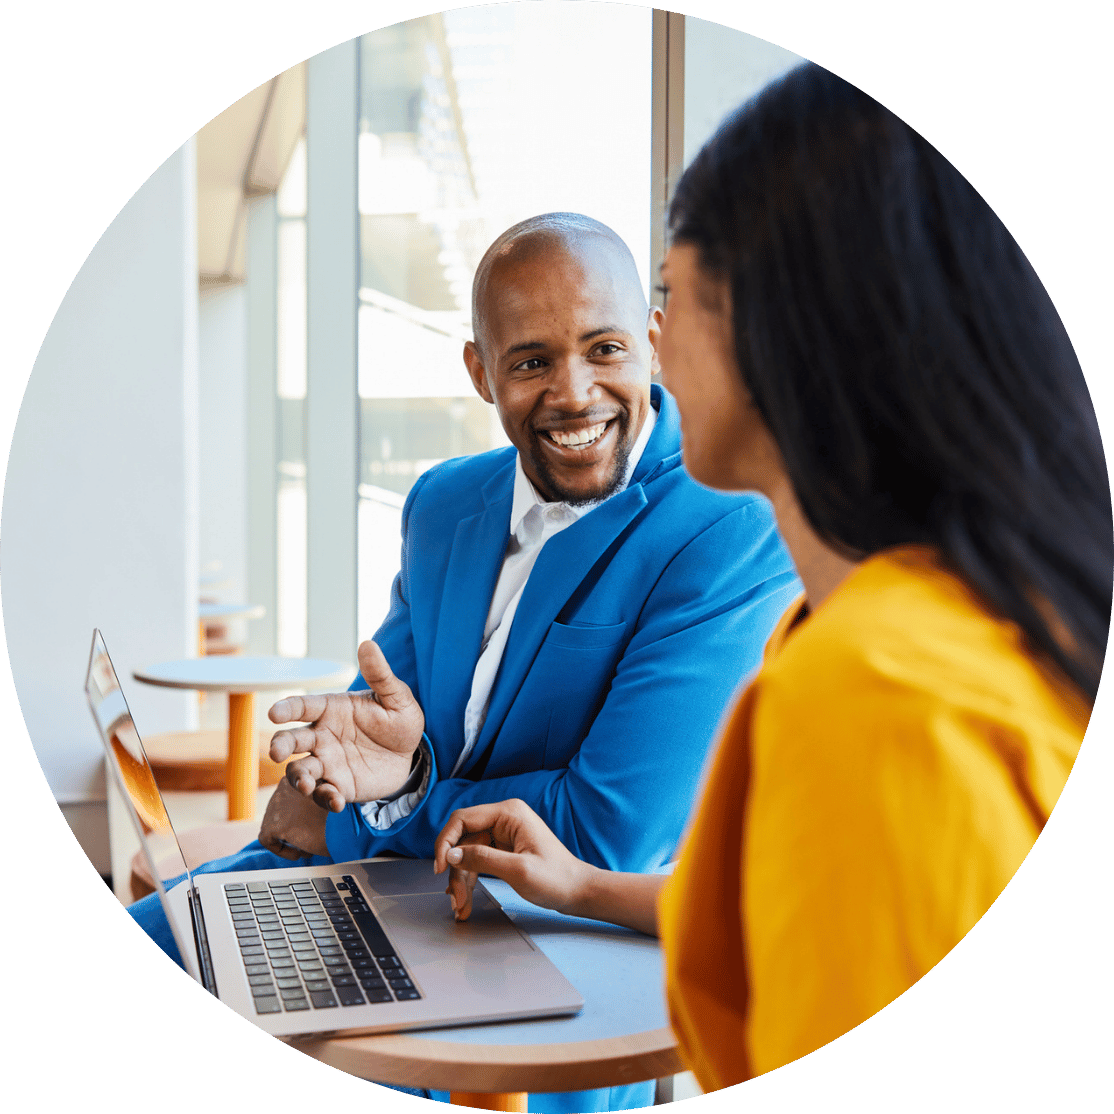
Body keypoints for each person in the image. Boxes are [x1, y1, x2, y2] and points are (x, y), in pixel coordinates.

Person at [432, 63, 1111, 1095]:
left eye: (668, 298)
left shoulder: (872, 699)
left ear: (786, 325)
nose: (649, 348)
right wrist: (585, 887)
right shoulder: (926, 621)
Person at [128, 214, 799, 1112]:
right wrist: (360, 778)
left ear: (653, 341)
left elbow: (603, 833)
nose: (574, 394)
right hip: (364, 899)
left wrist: (374, 813)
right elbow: (386, 729)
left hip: (536, 959)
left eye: (604, 348)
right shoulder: (444, 501)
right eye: (530, 362)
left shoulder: (728, 525)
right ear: (481, 373)